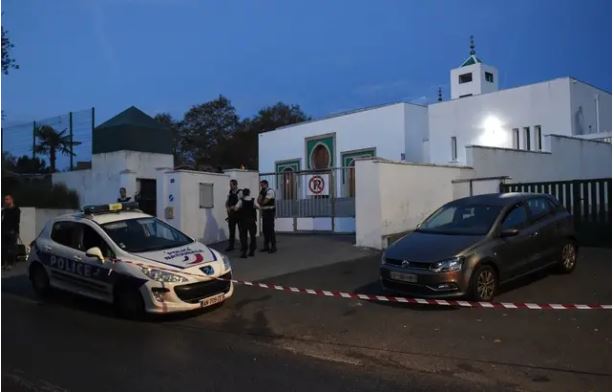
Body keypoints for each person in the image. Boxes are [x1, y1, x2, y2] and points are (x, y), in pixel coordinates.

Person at [233, 188, 257, 258]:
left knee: (244, 237)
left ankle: (244, 253)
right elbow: (258, 207)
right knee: (253, 236)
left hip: (243, 221)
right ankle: (252, 251)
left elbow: (235, 209)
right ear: (249, 193)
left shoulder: (241, 201)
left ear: (243, 194)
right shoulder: (253, 200)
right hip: (252, 221)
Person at [2, 194, 21, 270]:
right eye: (5, 199)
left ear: (11, 200)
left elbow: (17, 221)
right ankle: (3, 264)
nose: (6, 201)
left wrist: (15, 231)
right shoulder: (4, 211)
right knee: (3, 248)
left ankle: (10, 264)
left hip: (12, 232)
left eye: (7, 199)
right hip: (3, 231)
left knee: (11, 248)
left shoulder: (16, 209)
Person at [257, 180, 276, 253]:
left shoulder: (270, 191)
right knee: (265, 230)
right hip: (265, 212)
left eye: (262, 185)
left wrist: (261, 202)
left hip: (270, 212)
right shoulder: (263, 191)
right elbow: (258, 200)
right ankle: (266, 246)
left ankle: (273, 247)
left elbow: (264, 201)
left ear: (266, 184)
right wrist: (261, 199)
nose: (261, 186)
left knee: (270, 230)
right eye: (261, 185)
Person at [224, 179, 242, 251]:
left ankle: (243, 246)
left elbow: (242, 202)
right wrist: (227, 207)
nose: (230, 186)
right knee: (231, 231)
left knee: (241, 231)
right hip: (231, 215)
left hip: (239, 214)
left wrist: (235, 207)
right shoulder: (230, 192)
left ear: (235, 185)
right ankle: (231, 246)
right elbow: (227, 201)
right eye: (230, 185)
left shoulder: (240, 192)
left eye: (231, 185)